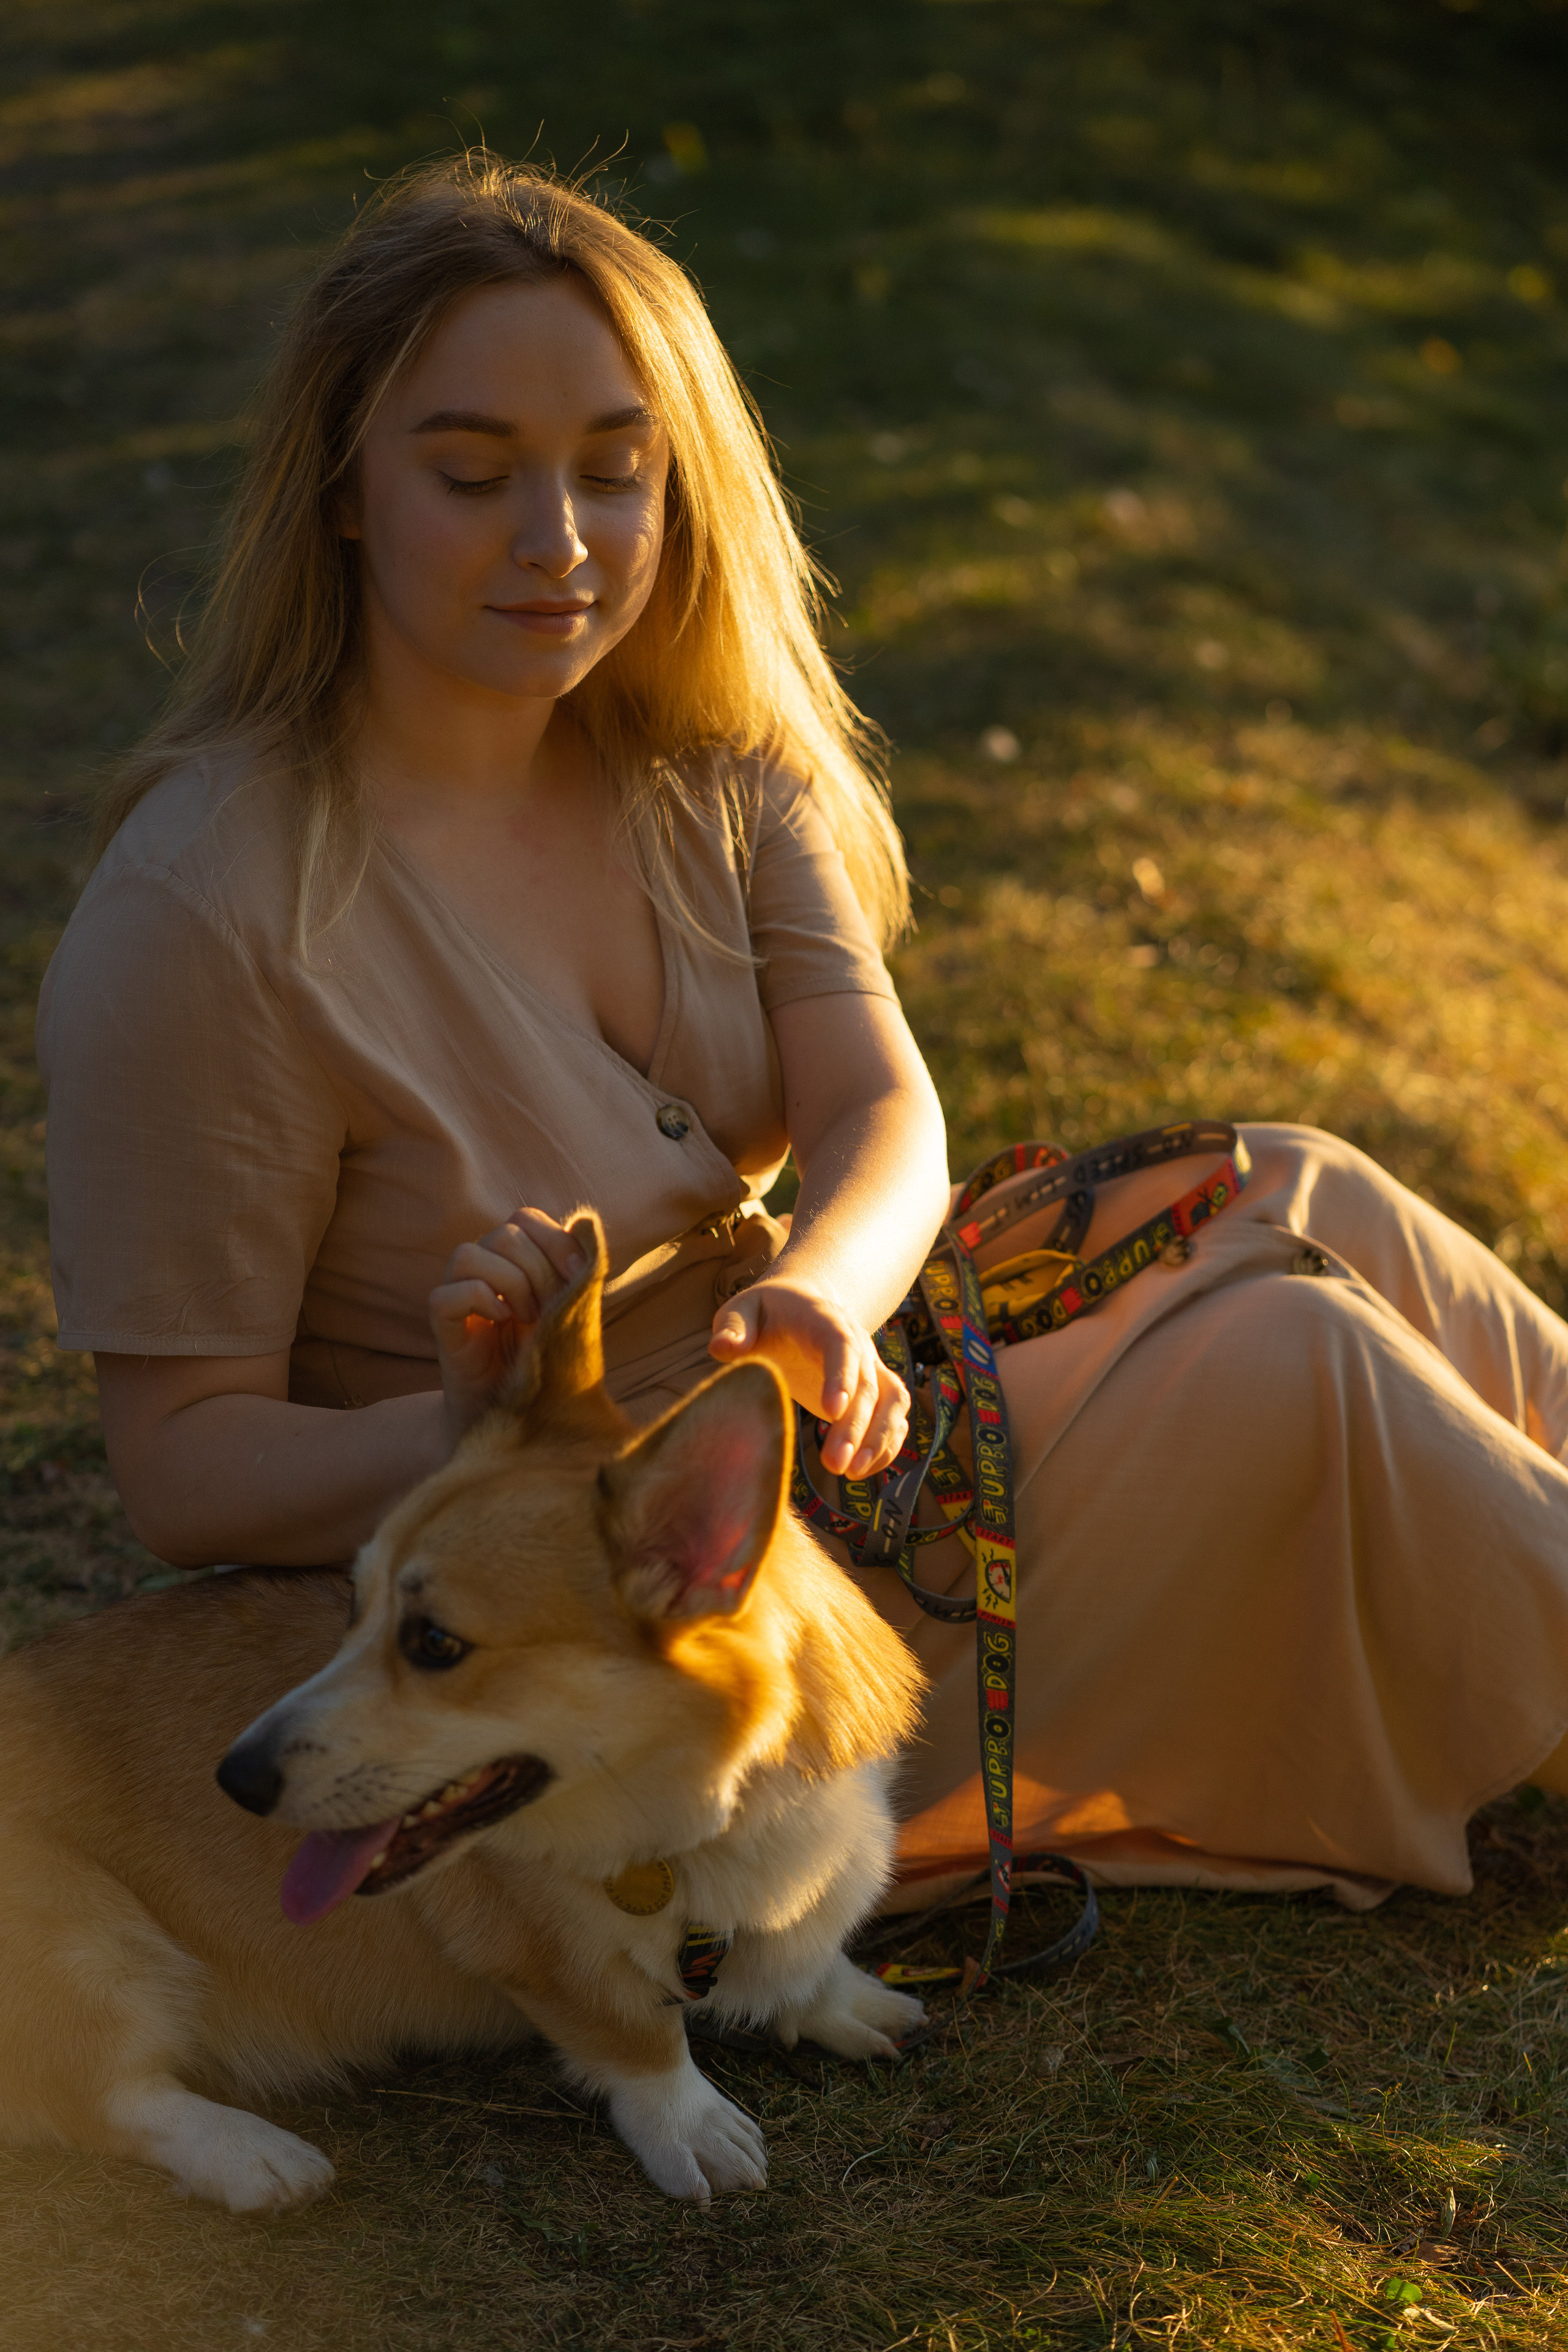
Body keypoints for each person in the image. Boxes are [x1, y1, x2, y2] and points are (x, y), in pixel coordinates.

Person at [38, 156, 1568, 1920]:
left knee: (1295, 1186)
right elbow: (181, 1468)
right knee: (1298, 1368)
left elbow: (878, 1108)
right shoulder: (206, 916)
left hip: (832, 1426)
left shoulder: (696, 755)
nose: (560, 540)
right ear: (345, 495)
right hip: (633, 1607)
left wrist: (821, 1303)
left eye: (617, 473)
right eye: (475, 475)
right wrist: (485, 1422)